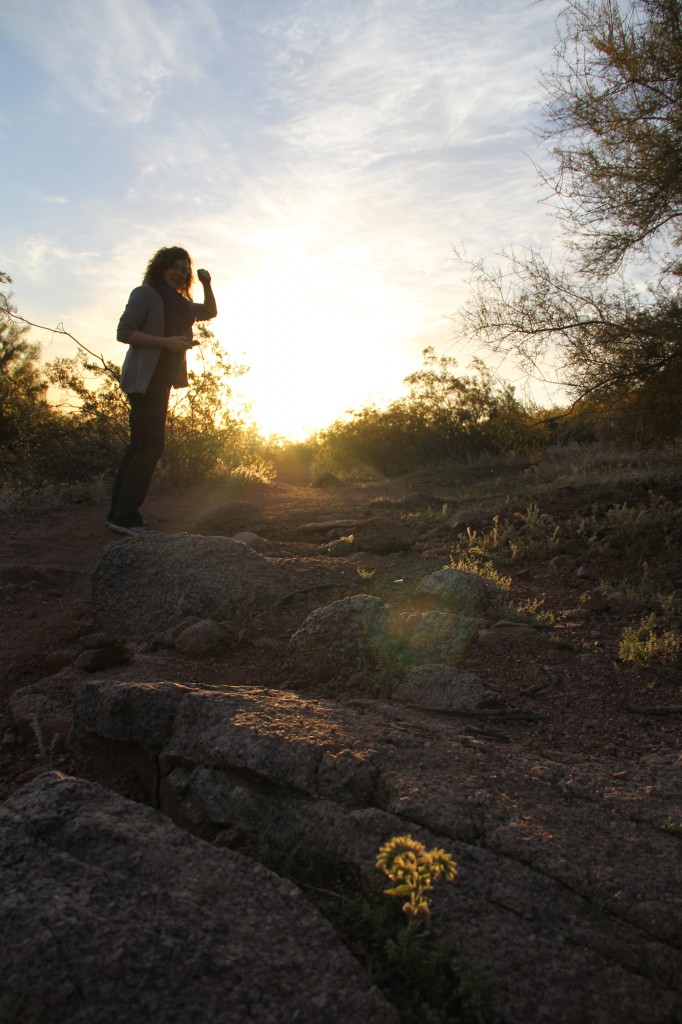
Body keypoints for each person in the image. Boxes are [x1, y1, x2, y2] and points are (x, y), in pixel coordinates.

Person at [106, 246, 217, 536]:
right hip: (145, 378)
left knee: (139, 446)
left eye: (184, 269)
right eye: (174, 267)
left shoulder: (179, 303)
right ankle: (125, 517)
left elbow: (209, 312)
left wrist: (206, 283)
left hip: (160, 379)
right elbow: (124, 332)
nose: (179, 273)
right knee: (150, 446)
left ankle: (118, 514)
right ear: (161, 267)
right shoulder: (146, 294)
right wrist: (167, 342)